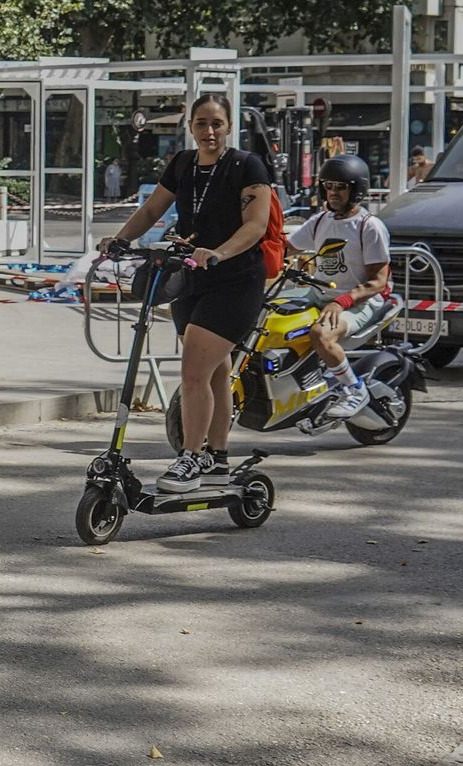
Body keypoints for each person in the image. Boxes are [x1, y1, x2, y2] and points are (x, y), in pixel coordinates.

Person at [102, 94, 272, 493]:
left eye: (216, 123)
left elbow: (256, 225)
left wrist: (218, 252)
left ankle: (190, 457)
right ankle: (218, 458)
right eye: (201, 124)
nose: (209, 131)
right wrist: (121, 239)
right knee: (215, 373)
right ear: (190, 126)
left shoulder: (246, 165)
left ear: (229, 125)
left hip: (237, 279)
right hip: (191, 277)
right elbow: (151, 210)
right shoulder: (182, 164)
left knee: (194, 371)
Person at [286, 155, 392, 418]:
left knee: (321, 334)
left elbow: (378, 282)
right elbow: (285, 247)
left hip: (359, 301)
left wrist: (340, 302)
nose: (332, 192)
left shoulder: (370, 227)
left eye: (341, 187)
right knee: (268, 313)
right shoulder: (321, 220)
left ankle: (355, 389)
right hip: (319, 293)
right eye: (328, 185)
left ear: (356, 190)